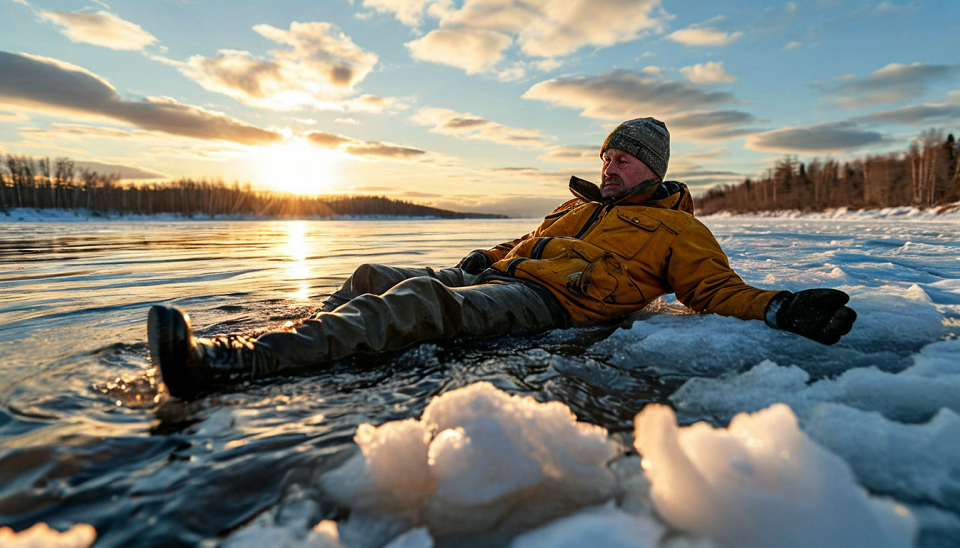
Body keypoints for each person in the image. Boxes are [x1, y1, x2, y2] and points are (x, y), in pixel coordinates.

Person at [148, 117, 856, 399]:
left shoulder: (679, 230)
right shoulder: (577, 207)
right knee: (372, 278)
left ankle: (236, 362)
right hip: (503, 274)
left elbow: (714, 290)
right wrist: (483, 255)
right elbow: (518, 247)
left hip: (556, 301)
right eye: (606, 155)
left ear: (652, 168)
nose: (609, 165)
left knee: (421, 305)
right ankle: (328, 348)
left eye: (623, 158)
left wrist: (780, 306)